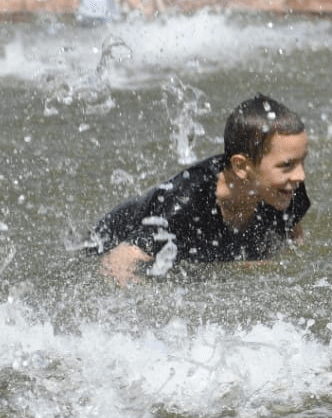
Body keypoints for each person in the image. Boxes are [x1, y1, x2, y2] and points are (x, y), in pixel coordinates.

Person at [89, 94, 310, 286]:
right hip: (108, 242)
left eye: (302, 162)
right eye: (287, 165)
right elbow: (116, 261)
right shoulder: (188, 201)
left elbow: (293, 237)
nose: (300, 175)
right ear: (242, 166)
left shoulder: (285, 188)